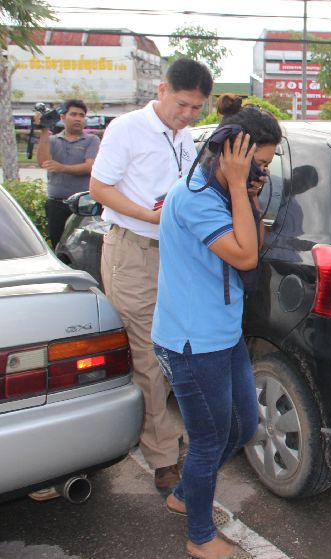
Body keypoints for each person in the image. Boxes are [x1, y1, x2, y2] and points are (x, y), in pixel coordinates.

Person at [152, 98, 281, 559]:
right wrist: (238, 186)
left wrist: (246, 193)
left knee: (244, 425)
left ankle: (184, 494)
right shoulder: (194, 199)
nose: (262, 172)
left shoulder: (224, 193)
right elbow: (245, 257)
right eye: (258, 164)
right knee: (209, 441)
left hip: (221, 333)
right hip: (191, 341)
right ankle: (200, 535)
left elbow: (255, 246)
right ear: (233, 155)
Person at [89, 58, 213, 497]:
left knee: (178, 347)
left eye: (197, 109)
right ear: (162, 90)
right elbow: (99, 188)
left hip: (176, 255)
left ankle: (174, 434)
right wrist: (150, 216)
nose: (188, 115)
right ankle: (162, 456)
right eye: (183, 105)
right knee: (147, 355)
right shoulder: (126, 128)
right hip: (134, 250)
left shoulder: (187, 138)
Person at [34, 99, 100, 244]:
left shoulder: (92, 140)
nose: (78, 118)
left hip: (83, 206)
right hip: (56, 204)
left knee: (82, 245)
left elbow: (90, 167)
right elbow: (42, 162)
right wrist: (44, 129)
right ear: (63, 117)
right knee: (58, 243)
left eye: (81, 115)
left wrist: (61, 167)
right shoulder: (52, 140)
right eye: (73, 114)